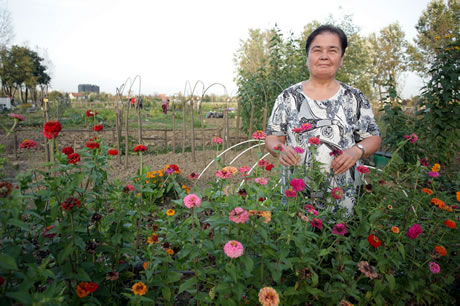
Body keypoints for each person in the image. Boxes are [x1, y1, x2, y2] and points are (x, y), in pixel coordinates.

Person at [265, 25, 381, 216]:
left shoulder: (354, 98)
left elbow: (373, 138)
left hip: (344, 198)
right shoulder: (288, 97)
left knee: (339, 242)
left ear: (341, 59)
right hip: (297, 198)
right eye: (317, 50)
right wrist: (280, 149)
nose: (324, 56)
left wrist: (356, 151)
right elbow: (272, 136)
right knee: (296, 241)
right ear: (307, 57)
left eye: (332, 50)